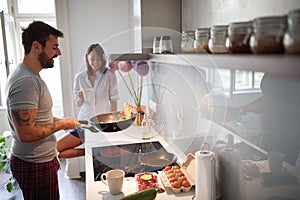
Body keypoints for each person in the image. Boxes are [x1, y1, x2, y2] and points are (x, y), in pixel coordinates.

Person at [5, 21, 79, 200]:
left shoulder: (29, 77)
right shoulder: (26, 82)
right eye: (54, 47)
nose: (58, 53)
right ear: (36, 47)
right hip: (34, 164)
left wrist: (63, 120)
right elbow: (27, 134)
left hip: (39, 161)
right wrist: (63, 124)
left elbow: (38, 117)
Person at [57, 43, 118, 158]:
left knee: (105, 159)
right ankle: (91, 152)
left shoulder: (109, 75)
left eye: (99, 58)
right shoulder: (80, 78)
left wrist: (114, 123)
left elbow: (113, 99)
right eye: (92, 58)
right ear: (87, 58)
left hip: (103, 124)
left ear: (103, 58)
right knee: (57, 149)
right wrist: (80, 98)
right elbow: (78, 104)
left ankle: (97, 155)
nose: (96, 62)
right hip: (84, 123)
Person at [241, 73, 300, 166]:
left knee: (282, 171)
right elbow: (267, 96)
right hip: (269, 131)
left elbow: (289, 103)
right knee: (263, 166)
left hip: (286, 135)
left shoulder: (291, 72)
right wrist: (249, 106)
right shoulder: (271, 70)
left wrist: (261, 107)